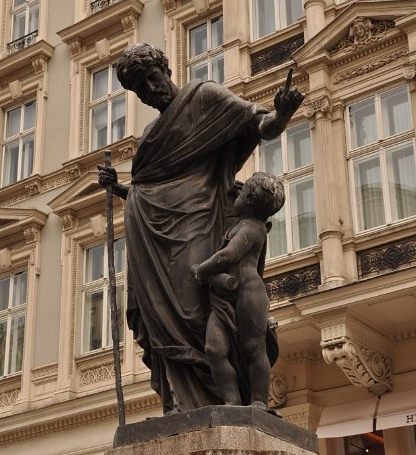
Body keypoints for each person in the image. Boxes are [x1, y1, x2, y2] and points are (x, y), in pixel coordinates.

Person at [99, 43, 304, 413]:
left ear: (166, 69)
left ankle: (230, 398)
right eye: (140, 88)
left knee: (197, 312)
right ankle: (180, 403)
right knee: (159, 317)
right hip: (153, 239)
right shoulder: (150, 135)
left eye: (152, 78)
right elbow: (150, 190)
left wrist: (282, 116)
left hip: (200, 222)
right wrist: (119, 189)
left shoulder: (205, 97)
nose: (150, 89)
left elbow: (259, 125)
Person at [191, 173, 285, 410]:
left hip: (248, 294)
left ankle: (259, 400)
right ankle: (232, 400)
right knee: (214, 348)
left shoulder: (253, 228)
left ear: (250, 201)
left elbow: (228, 255)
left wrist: (201, 270)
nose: (237, 196)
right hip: (223, 297)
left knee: (254, 348)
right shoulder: (244, 223)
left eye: (242, 194)